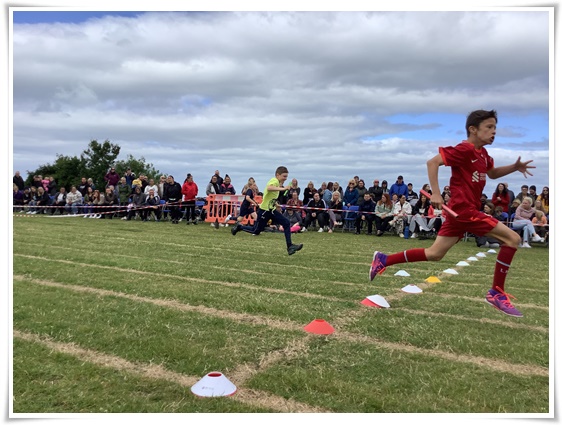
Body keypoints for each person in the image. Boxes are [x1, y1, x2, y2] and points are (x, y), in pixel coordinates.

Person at [369, 109, 536, 318]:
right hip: (464, 211)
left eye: (495, 127)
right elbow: (432, 162)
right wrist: (436, 193)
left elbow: (493, 173)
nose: (494, 131)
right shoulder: (464, 150)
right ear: (473, 129)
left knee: (435, 254)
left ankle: (384, 260)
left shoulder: (483, 155)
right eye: (489, 127)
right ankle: (496, 292)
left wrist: (515, 167)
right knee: (512, 239)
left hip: (461, 213)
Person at [231, 166, 303, 256]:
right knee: (256, 230)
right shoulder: (274, 180)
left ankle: (290, 246)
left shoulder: (277, 184)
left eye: (286, 176)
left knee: (286, 223)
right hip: (264, 211)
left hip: (271, 210)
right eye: (284, 176)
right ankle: (239, 227)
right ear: (278, 175)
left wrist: (276, 204)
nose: (285, 178)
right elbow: (269, 188)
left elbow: (269, 196)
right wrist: (283, 188)